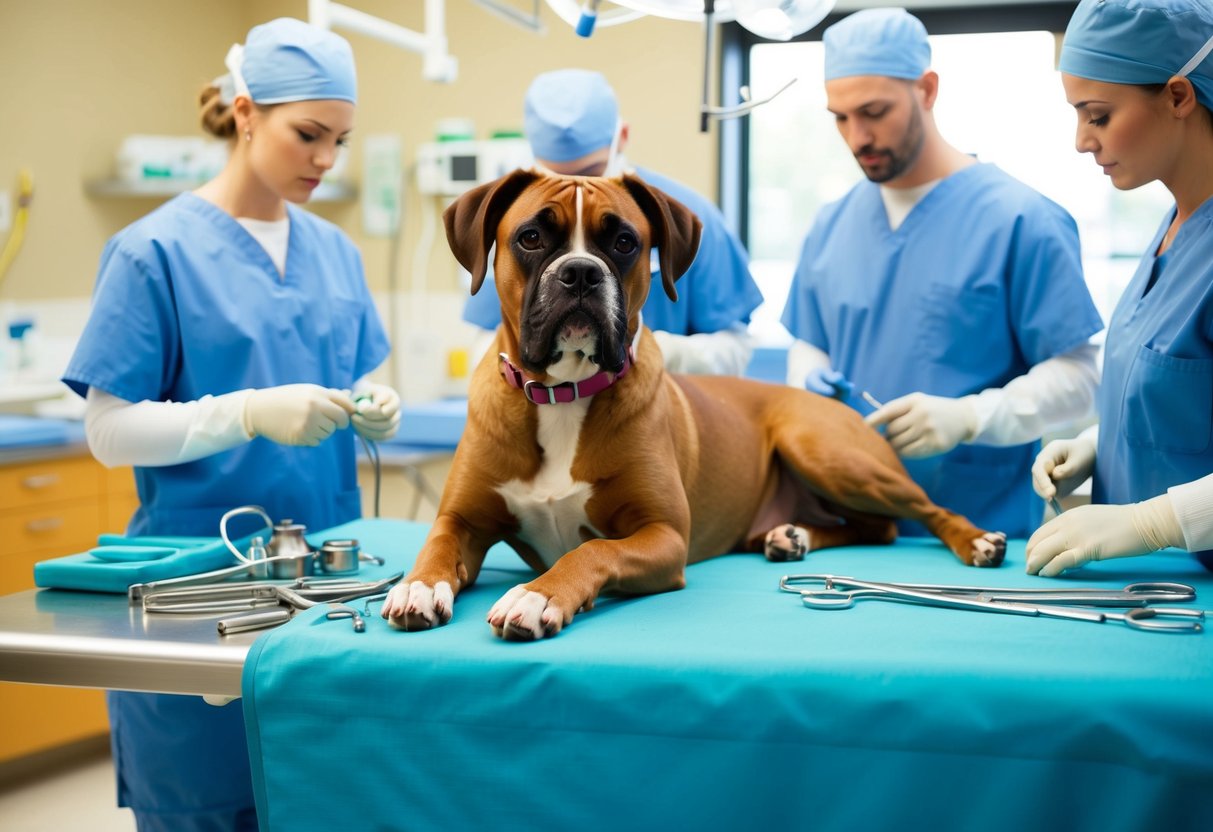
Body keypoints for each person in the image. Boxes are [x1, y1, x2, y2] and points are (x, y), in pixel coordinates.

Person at [62, 19, 399, 831]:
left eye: (340, 141)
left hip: (330, 590)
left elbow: (356, 373)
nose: (324, 159)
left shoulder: (336, 253)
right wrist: (245, 413)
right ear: (245, 113)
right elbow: (107, 431)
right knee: (206, 804)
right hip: (197, 587)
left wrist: (372, 404)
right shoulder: (154, 252)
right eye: (307, 134)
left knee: (325, 802)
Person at [781, 7, 1104, 539]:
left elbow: (1078, 377)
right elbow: (809, 342)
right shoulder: (830, 225)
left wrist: (970, 417)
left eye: (874, 111)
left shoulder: (1021, 220)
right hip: (848, 529)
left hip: (982, 531)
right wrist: (805, 379)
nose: (857, 136)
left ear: (927, 90)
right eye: (840, 117)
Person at [1027, 0, 1213, 576]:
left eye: (1098, 115)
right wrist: (1100, 442)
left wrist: (1152, 521)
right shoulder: (1175, 229)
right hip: (1152, 589)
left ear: (1179, 97)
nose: (1082, 141)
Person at [462, 68, 764, 376]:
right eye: (556, 177)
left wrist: (654, 351)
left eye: (591, 172)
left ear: (622, 137)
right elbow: (483, 342)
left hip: (658, 405)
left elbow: (735, 346)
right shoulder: (520, 218)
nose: (576, 189)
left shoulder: (686, 215)